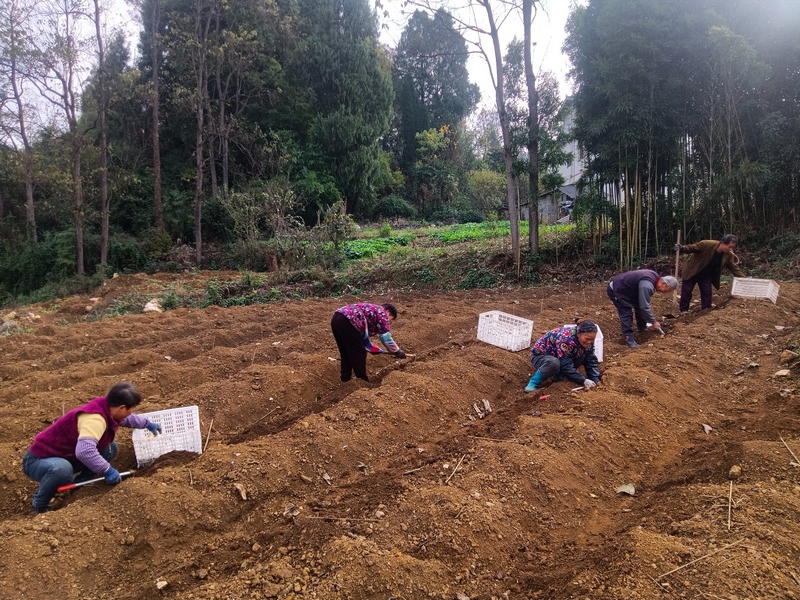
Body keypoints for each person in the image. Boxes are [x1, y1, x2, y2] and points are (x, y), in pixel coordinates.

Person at [22, 381, 161, 514]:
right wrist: (107, 470)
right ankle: (40, 504)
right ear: (121, 407)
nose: (131, 412)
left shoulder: (108, 407)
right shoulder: (95, 419)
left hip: (67, 455)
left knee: (109, 448)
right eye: (131, 409)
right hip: (39, 460)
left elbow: (127, 419)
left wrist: (147, 424)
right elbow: (84, 451)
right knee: (62, 470)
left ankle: (79, 486)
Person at [331, 302, 406, 382]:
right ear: (388, 312)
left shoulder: (372, 310)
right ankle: (362, 381)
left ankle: (345, 379)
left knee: (346, 351)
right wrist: (397, 350)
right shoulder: (382, 313)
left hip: (336, 318)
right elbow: (385, 337)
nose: (388, 321)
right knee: (360, 352)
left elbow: (361, 336)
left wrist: (372, 348)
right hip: (349, 320)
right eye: (390, 318)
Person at [524, 319, 601, 393]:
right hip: (541, 356)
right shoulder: (566, 340)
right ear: (578, 333)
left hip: (560, 356)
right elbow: (566, 364)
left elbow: (591, 359)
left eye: (592, 339)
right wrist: (583, 380)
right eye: (587, 339)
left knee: (583, 355)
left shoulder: (588, 341)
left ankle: (559, 375)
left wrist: (595, 378)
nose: (589, 342)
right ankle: (534, 382)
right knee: (553, 363)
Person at [607, 269, 678, 348]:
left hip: (629, 290)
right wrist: (653, 321)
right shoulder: (647, 285)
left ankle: (642, 328)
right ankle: (629, 341)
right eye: (668, 290)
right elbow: (644, 306)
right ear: (664, 284)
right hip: (618, 289)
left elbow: (642, 305)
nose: (665, 293)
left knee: (639, 306)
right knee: (626, 313)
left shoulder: (654, 278)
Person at [675, 234, 744, 312]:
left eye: (732, 247)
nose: (731, 249)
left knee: (707, 293)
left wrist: (743, 278)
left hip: (706, 275)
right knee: (686, 292)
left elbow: (733, 267)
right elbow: (693, 247)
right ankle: (683, 311)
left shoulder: (728, 255)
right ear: (722, 243)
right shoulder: (707, 244)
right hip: (692, 270)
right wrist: (682, 248)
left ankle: (706, 311)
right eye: (729, 246)